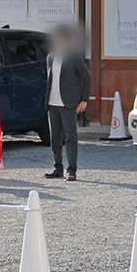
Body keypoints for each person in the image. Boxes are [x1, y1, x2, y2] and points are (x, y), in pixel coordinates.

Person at [44, 24, 91, 182]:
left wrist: (84, 99)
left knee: (71, 137)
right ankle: (58, 168)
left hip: (69, 103)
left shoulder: (74, 56)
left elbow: (86, 77)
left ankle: (72, 170)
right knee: (55, 138)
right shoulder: (50, 57)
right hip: (52, 102)